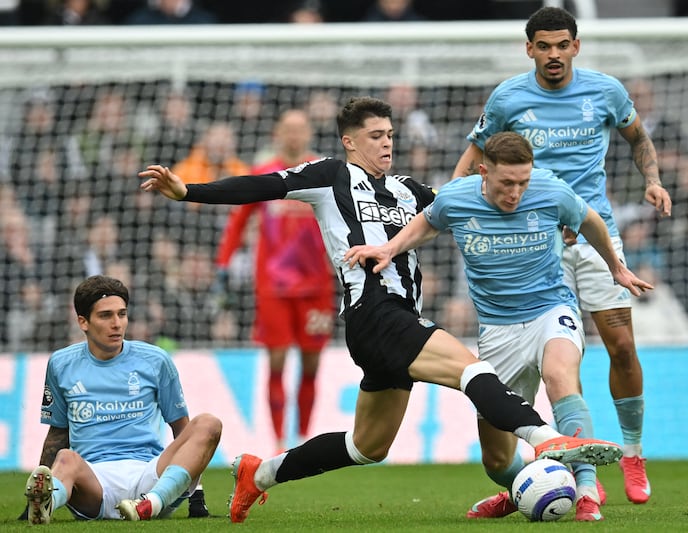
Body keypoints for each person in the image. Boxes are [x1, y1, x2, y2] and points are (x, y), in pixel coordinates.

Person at [139, 96, 623, 524]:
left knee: (367, 446)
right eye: (376, 136)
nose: (387, 142)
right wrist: (190, 192)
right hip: (375, 312)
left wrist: (547, 219)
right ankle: (543, 438)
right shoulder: (328, 176)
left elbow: (467, 212)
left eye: (390, 134)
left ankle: (258, 473)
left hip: (394, 322)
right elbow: (261, 185)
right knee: (472, 369)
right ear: (350, 142)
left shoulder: (411, 189)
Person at [345, 131, 654, 521]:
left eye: (523, 182)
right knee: (495, 460)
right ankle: (522, 488)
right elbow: (427, 223)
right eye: (507, 183)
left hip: (550, 309)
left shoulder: (550, 191)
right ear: (483, 172)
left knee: (560, 376)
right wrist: (389, 248)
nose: (516, 193)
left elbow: (589, 219)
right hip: (497, 329)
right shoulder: (457, 197)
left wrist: (616, 267)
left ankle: (588, 491)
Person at [451, 7, 673, 507]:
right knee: (551, 369)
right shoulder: (508, 97)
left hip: (595, 235)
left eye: (562, 45)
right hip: (533, 238)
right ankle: (537, 483)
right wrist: (454, 199)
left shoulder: (606, 91)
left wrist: (653, 180)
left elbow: (638, 137)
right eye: (543, 46)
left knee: (620, 345)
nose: (554, 55)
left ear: (576, 46)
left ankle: (633, 453)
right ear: (529, 49)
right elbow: (476, 154)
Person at [23, 275, 222, 524]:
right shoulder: (61, 364)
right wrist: (37, 488)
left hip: (150, 475)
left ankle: (151, 503)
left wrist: (196, 495)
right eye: (106, 316)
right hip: (93, 481)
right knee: (65, 457)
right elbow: (57, 432)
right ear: (83, 322)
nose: (117, 324)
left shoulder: (156, 360)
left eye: (122, 314)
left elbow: (182, 433)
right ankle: (47, 502)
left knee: (208, 424)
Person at [215, 109, 335, 452]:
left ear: (309, 133)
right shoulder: (264, 174)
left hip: (316, 285)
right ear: (277, 133)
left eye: (300, 129)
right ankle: (280, 441)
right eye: (288, 129)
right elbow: (239, 220)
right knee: (278, 360)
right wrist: (223, 264)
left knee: (312, 363)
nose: (294, 136)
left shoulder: (324, 174)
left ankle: (304, 437)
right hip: (273, 285)